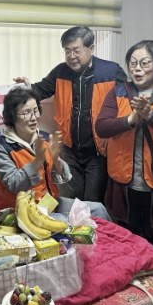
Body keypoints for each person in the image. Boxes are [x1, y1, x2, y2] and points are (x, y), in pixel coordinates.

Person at [95, 40, 153, 250]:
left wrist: (151, 115)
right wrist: (130, 120)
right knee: (125, 235)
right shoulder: (118, 91)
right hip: (124, 178)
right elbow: (101, 127)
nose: (137, 68)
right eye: (133, 63)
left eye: (145, 63)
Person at [13, 26, 127, 203]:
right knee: (73, 198)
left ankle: (93, 222)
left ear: (91, 48)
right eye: (67, 51)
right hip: (70, 149)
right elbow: (40, 90)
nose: (71, 56)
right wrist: (27, 87)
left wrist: (112, 131)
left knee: (93, 199)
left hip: (98, 150)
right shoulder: (60, 72)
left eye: (76, 50)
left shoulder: (111, 72)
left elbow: (125, 103)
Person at [0, 86, 110, 220]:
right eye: (26, 113)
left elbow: (61, 177)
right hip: (22, 212)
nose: (34, 117)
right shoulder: (1, 148)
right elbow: (14, 184)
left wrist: (56, 159)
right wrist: (36, 162)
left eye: (35, 111)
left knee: (98, 209)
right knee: (63, 223)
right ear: (12, 116)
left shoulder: (44, 137)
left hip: (49, 203)